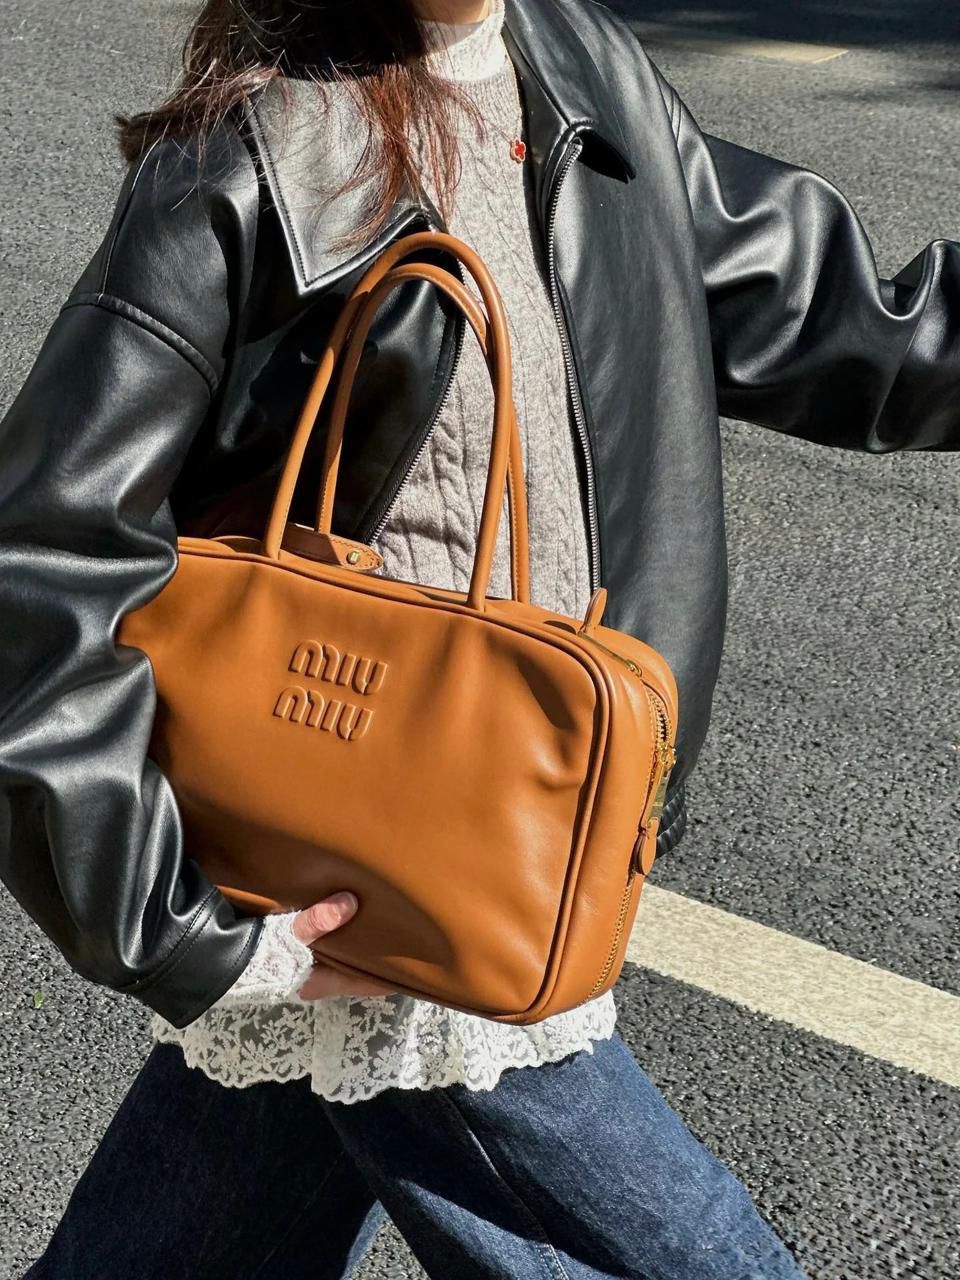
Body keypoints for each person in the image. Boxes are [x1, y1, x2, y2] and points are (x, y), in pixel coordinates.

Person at [1, 0, 955, 1274]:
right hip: (410, 873)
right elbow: (44, 550)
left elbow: (842, 317)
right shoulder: (259, 151)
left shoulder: (574, 66)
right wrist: (172, 924)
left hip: (512, 828)